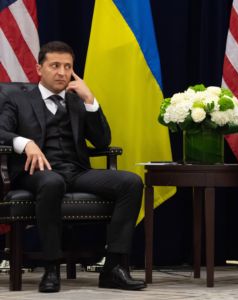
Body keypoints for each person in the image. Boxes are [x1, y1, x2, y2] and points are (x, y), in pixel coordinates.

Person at [0, 41, 146, 293]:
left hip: (76, 171)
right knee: (52, 182)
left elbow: (102, 141)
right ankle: (51, 268)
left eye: (67, 67)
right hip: (35, 172)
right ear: (39, 68)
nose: (62, 72)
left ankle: (113, 267)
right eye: (54, 65)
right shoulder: (18, 99)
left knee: (131, 182)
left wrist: (90, 101)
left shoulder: (77, 101)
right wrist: (24, 143)